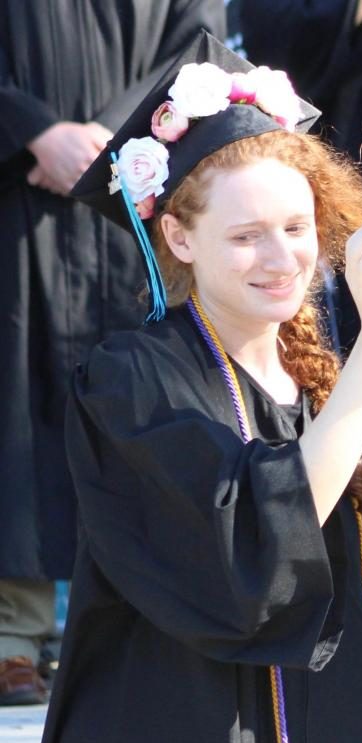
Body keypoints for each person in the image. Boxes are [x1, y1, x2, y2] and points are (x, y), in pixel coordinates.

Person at [33, 32, 362, 743]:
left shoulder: (320, 391)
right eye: (245, 235)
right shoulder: (134, 384)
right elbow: (252, 542)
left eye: (297, 228)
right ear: (179, 237)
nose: (280, 257)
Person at [0, 0, 225, 704]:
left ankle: (138, 622)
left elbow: (198, 51)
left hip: (136, 203)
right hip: (15, 208)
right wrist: (33, 129)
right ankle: (13, 633)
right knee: (12, 412)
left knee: (136, 406)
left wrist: (111, 140)